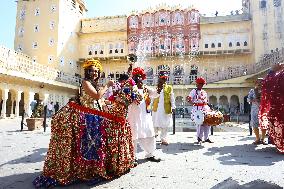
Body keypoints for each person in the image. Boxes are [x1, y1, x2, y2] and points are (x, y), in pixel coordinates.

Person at [33, 59, 136, 188]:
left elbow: (100, 101)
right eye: (92, 71)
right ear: (87, 72)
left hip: (95, 118)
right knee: (90, 147)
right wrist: (108, 85)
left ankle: (93, 170)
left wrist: (115, 102)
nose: (94, 73)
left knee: (95, 147)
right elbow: (97, 96)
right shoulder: (85, 82)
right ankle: (87, 170)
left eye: (96, 71)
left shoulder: (94, 84)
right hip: (87, 119)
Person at [127, 67, 161, 162]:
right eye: (136, 76)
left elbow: (155, 94)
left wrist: (160, 85)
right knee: (133, 136)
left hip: (146, 116)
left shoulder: (145, 88)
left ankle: (150, 154)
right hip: (134, 115)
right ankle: (132, 157)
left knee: (150, 134)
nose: (138, 78)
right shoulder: (130, 88)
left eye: (140, 76)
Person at [259, 62, 284, 153]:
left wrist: (272, 71)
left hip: (280, 109)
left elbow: (268, 83)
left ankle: (281, 146)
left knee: (279, 125)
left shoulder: (280, 76)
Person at [187, 77, 213, 144]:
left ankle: (206, 138)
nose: (201, 85)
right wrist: (193, 103)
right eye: (200, 84)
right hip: (197, 108)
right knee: (199, 124)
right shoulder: (193, 91)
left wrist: (210, 108)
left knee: (207, 123)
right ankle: (199, 138)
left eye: (202, 84)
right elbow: (189, 99)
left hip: (205, 108)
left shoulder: (204, 92)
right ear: (197, 84)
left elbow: (206, 101)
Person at [152, 71, 176, 145]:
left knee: (165, 124)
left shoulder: (169, 87)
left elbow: (172, 98)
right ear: (159, 79)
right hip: (156, 108)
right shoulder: (155, 87)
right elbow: (152, 98)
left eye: (166, 78)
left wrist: (173, 107)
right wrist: (149, 107)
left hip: (165, 108)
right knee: (154, 122)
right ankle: (154, 135)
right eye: (163, 78)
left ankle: (163, 138)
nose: (165, 79)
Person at [247, 78, 267, 145]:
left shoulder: (265, 90)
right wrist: (254, 100)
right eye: (258, 82)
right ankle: (257, 139)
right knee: (255, 124)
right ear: (255, 83)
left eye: (261, 82)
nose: (259, 84)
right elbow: (248, 99)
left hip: (264, 110)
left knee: (264, 124)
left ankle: (263, 139)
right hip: (254, 110)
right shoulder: (252, 91)